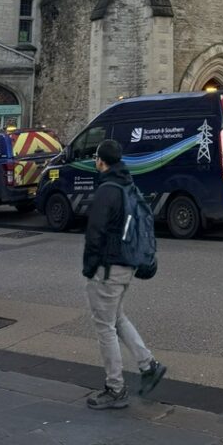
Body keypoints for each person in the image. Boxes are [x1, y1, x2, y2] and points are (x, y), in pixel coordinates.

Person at [83, 139, 166, 410]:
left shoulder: (107, 189)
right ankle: (148, 364)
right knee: (116, 318)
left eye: (96, 158)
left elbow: (95, 233)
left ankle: (115, 388)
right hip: (128, 264)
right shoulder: (127, 184)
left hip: (109, 268)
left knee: (104, 327)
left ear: (100, 161)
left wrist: (89, 267)